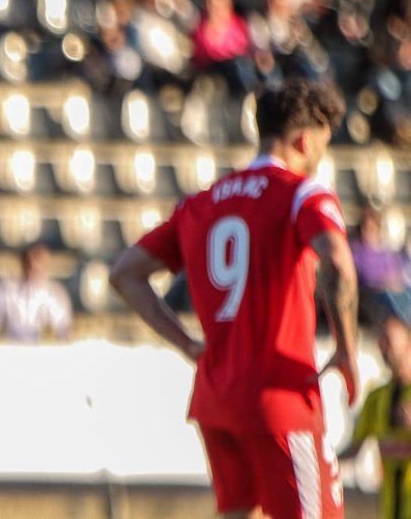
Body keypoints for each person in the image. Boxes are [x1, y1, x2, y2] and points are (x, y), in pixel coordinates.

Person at [109, 78, 360, 519]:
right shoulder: (303, 193)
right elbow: (338, 264)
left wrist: (187, 343)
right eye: (323, 142)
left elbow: (124, 274)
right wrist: (346, 348)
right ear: (305, 139)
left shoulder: (201, 204)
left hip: (216, 397)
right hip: (281, 398)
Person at [338, 292, 411, 519]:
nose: (383, 344)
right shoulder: (376, 396)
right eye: (381, 338)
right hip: (391, 511)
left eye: (389, 336)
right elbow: (353, 450)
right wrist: (321, 461)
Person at [0, 242, 73, 342]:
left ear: (47, 266)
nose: (35, 266)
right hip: (9, 350)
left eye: (39, 263)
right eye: (30, 263)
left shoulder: (55, 294)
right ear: (23, 263)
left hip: (42, 352)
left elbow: (64, 330)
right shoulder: (5, 291)